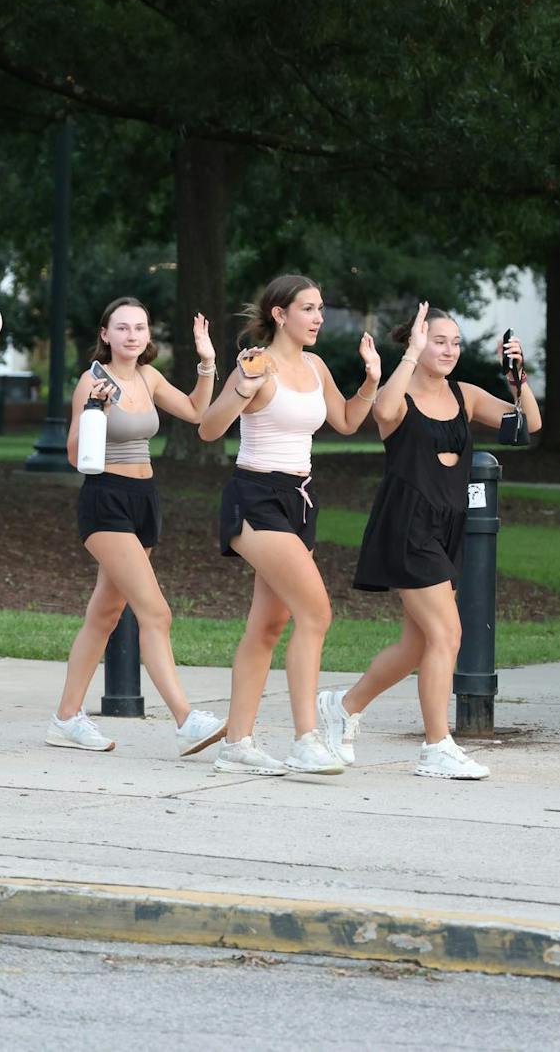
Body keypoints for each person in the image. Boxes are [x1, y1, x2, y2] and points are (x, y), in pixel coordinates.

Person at [317, 304, 541, 780]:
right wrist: (409, 356)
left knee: (417, 645)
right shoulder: (398, 392)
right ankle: (436, 746)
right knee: (448, 634)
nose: (450, 350)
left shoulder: (466, 395)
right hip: (407, 524)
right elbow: (383, 410)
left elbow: (528, 425)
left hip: (449, 526)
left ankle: (343, 705)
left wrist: (517, 377)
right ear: (418, 343)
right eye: (439, 341)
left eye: (455, 343)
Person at [197, 273, 381, 776]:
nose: (319, 317)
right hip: (255, 498)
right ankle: (306, 738)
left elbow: (345, 421)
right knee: (316, 613)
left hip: (300, 499)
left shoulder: (316, 365)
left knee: (269, 623)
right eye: (308, 308)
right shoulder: (258, 364)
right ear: (280, 314)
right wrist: (243, 388)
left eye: (321, 308)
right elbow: (209, 428)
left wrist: (369, 381)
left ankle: (237, 743)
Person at [48, 297, 226, 755]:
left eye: (140, 328)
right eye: (122, 328)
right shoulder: (92, 380)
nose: (132, 335)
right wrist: (96, 411)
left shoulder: (148, 376)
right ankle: (186, 719)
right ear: (105, 335)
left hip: (145, 500)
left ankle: (66, 718)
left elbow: (194, 412)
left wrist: (206, 364)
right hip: (105, 499)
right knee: (156, 612)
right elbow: (74, 456)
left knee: (104, 615)